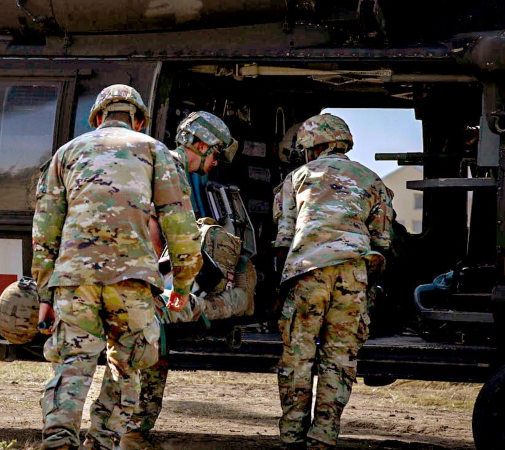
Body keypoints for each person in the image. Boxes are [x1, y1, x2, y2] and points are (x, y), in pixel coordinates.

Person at [34, 85, 202, 450]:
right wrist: (184, 286)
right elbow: (181, 226)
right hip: (133, 281)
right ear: (139, 120)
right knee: (127, 366)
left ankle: (59, 440)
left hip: (75, 278)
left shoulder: (66, 153)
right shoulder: (155, 151)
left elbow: (44, 231)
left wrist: (46, 292)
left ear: (96, 118)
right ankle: (103, 443)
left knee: (72, 364)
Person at [86, 111, 255, 450]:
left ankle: (125, 433)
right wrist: (180, 287)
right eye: (215, 155)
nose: (214, 164)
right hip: (135, 285)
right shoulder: (170, 169)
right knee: (133, 359)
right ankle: (112, 437)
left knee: (143, 356)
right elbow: (161, 233)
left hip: (109, 276)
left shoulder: (146, 161)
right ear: (202, 145)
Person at [272, 113, 393, 450]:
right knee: (339, 359)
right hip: (354, 272)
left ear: (314, 146)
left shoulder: (296, 177)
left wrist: (280, 290)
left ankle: (292, 436)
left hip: (307, 272)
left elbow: (283, 240)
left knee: (298, 357)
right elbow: (383, 241)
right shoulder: (372, 180)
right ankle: (323, 438)